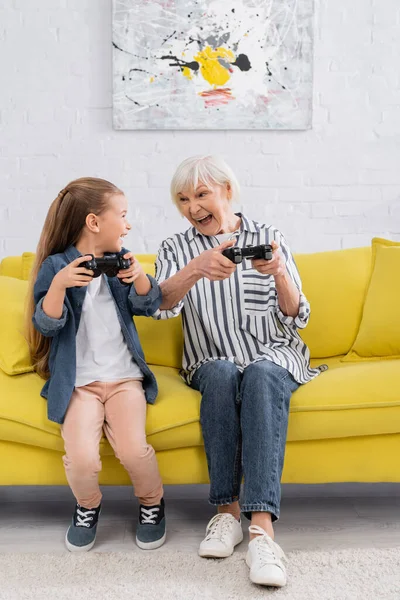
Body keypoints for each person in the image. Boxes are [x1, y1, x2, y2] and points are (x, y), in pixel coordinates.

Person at [153, 156, 325, 588]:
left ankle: (262, 530)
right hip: (210, 358)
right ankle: (225, 514)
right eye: (184, 199)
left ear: (227, 190)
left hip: (273, 354)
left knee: (261, 375)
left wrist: (280, 273)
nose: (193, 207)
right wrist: (195, 269)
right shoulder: (175, 247)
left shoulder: (268, 237)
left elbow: (296, 315)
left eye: (202, 195)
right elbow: (158, 306)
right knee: (223, 374)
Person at [26, 177, 166, 552]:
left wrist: (138, 278)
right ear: (93, 222)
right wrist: (58, 286)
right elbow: (47, 324)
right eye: (122, 215)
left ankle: (152, 503)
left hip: (124, 380)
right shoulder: (57, 266)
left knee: (133, 450)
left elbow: (149, 305)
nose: (128, 223)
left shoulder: (122, 260)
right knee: (82, 458)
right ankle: (87, 507)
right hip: (79, 384)